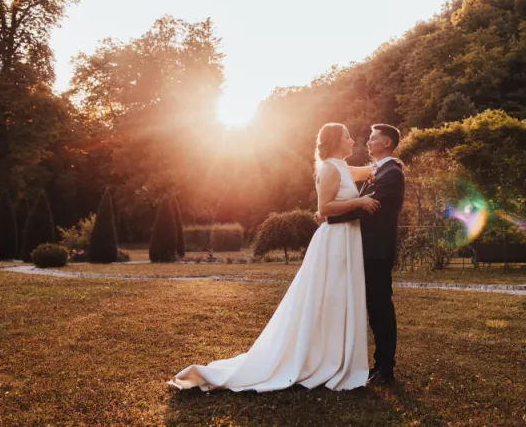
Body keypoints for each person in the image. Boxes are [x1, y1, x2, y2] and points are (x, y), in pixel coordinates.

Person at [168, 123, 379, 392]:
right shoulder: (329, 169)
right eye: (347, 137)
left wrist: (389, 162)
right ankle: (318, 357)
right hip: (335, 241)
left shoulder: (342, 167)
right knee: (329, 295)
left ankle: (334, 352)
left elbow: (369, 170)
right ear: (336, 140)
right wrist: (359, 202)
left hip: (347, 239)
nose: (352, 141)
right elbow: (324, 208)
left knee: (339, 297)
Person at [323, 124, 405, 385]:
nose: (368, 143)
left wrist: (329, 216)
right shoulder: (379, 170)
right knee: (373, 307)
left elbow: (371, 207)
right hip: (366, 247)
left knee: (381, 307)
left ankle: (386, 368)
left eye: (373, 139)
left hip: (377, 250)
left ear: (387, 143)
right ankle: (378, 363)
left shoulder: (392, 174)